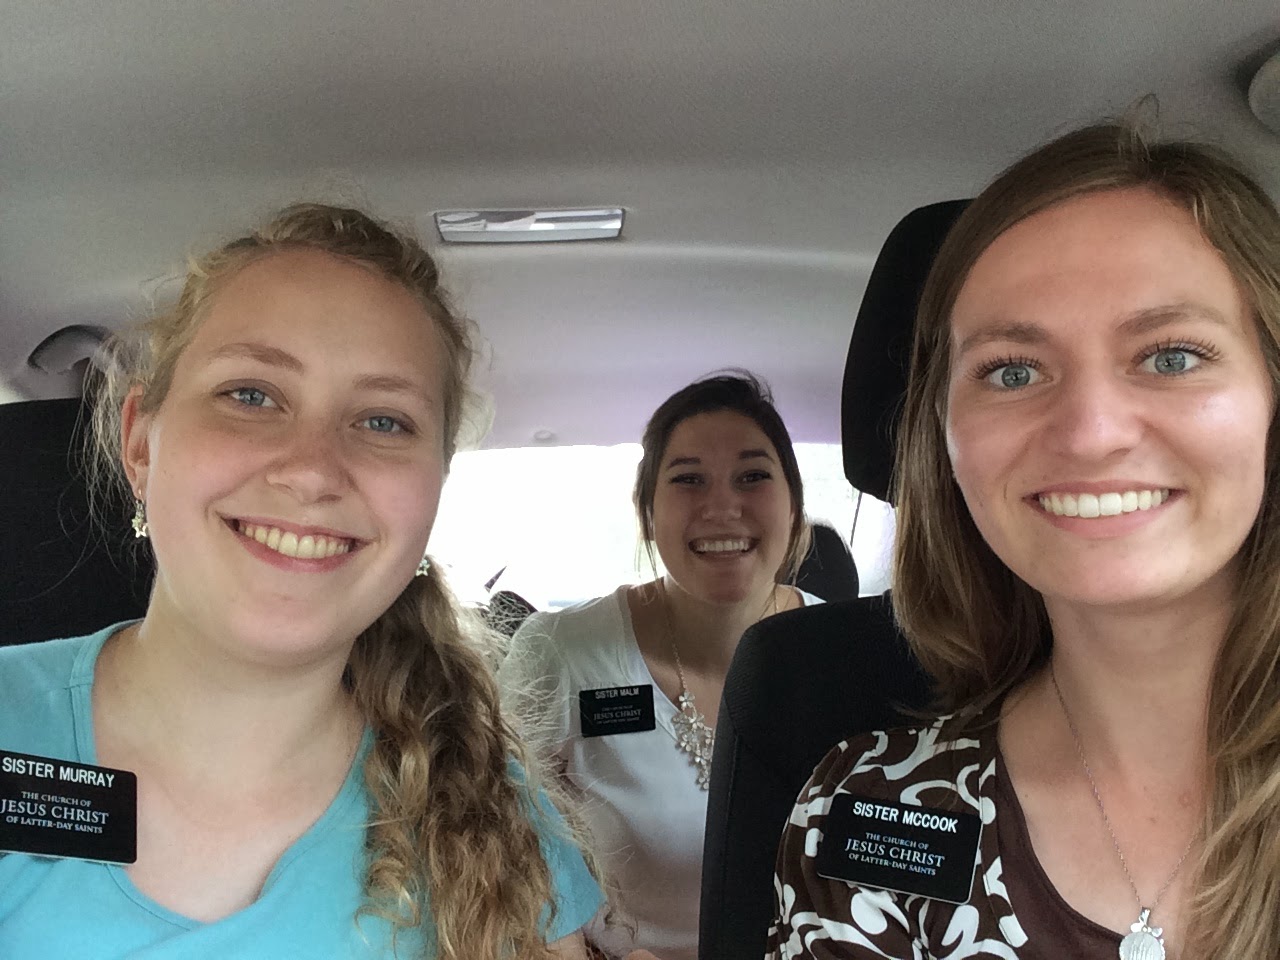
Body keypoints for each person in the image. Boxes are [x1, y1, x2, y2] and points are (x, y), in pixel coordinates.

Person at [0, 203, 603, 959]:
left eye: (383, 421)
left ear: (435, 490)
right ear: (141, 443)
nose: (314, 469)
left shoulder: (488, 811)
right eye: (251, 395)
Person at [768, 120, 1280, 958]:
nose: (1090, 433)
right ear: (943, 440)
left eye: (1172, 357)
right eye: (1012, 371)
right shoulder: (874, 812)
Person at [499, 373, 826, 960]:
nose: (722, 507)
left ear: (795, 506)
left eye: (752, 476)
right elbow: (493, 838)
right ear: (648, 513)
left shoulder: (852, 657)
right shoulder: (562, 652)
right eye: (688, 479)